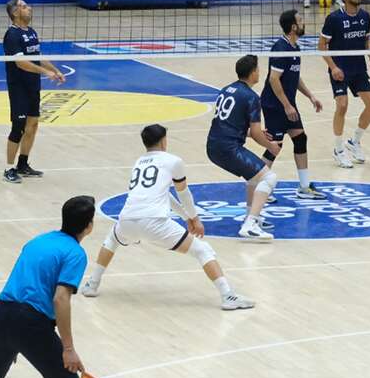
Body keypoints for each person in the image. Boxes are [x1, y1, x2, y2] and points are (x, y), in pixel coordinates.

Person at [82, 124, 255, 310]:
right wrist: (194, 219)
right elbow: (183, 192)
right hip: (154, 221)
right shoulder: (173, 161)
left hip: (126, 219)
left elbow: (166, 194)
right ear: (164, 141)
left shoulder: (139, 162)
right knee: (203, 250)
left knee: (111, 241)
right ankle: (228, 296)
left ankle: (92, 284)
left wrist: (185, 217)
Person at [0, 196, 95, 378]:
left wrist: (12, 339)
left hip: (1, 314)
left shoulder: (38, 241)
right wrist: (69, 349)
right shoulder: (75, 253)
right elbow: (60, 299)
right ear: (89, 226)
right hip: (30, 323)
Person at [206, 55, 283, 242]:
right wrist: (270, 146)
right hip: (228, 148)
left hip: (213, 145)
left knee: (254, 175)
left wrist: (249, 133)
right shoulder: (251, 97)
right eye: (257, 69)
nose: (259, 72)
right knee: (269, 177)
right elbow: (256, 134)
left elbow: (227, 122)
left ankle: (251, 217)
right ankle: (250, 224)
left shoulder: (226, 90)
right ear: (252, 73)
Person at [262, 10, 327, 199]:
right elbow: (274, 79)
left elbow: (295, 77)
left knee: (300, 138)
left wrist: (311, 96)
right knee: (275, 146)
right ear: (293, 27)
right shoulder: (280, 48)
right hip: (274, 104)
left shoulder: (295, 48)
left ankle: (305, 187)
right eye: (300, 21)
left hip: (286, 103)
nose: (303, 23)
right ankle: (259, 184)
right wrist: (287, 106)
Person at [2, 0, 66, 184]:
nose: (29, 8)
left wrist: (55, 70)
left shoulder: (31, 32)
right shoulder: (12, 35)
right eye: (24, 6)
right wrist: (45, 72)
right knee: (18, 127)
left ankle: (22, 164)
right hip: (19, 87)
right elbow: (21, 63)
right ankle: (8, 168)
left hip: (33, 86)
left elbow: (37, 57)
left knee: (33, 124)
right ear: (15, 13)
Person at [320, 0, 370, 169]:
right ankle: (338, 150)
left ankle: (354, 141)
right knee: (342, 105)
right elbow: (321, 46)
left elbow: (366, 39)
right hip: (339, 68)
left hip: (358, 68)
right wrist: (333, 67)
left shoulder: (365, 16)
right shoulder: (334, 18)